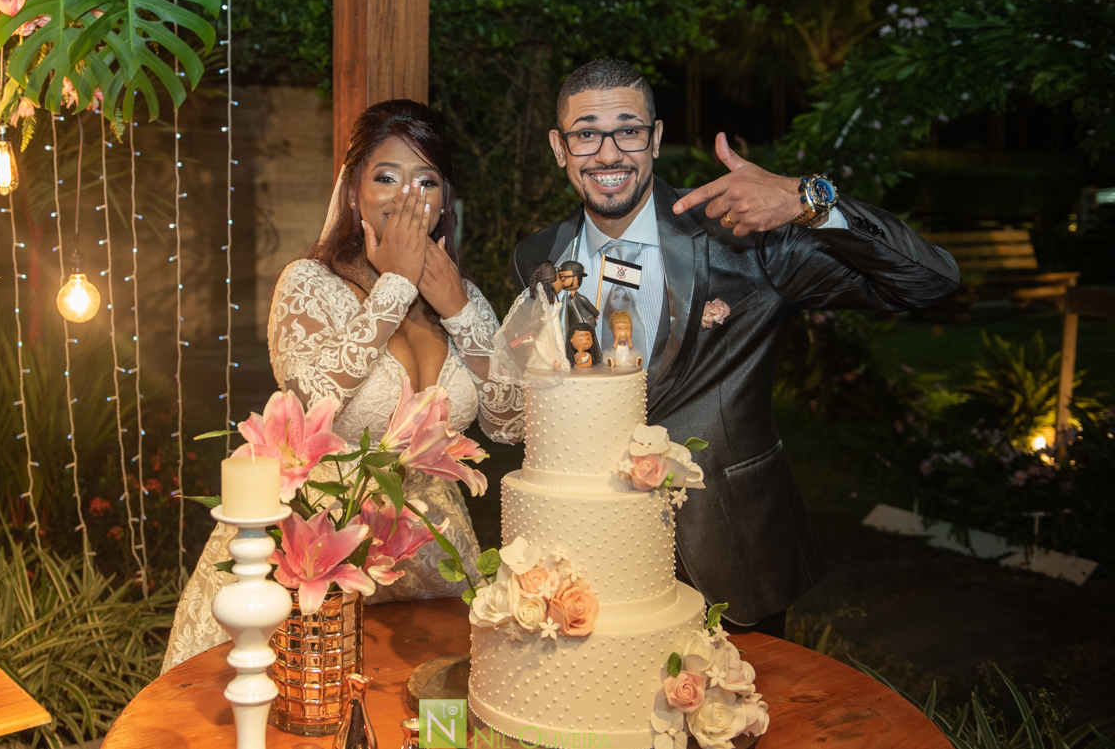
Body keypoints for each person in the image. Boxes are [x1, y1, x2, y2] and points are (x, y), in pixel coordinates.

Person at [510, 58, 959, 638]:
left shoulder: (742, 239)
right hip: (589, 565)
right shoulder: (537, 257)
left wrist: (807, 201)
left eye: (628, 129)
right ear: (559, 146)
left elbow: (930, 281)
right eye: (586, 133)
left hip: (730, 550)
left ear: (656, 138)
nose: (609, 153)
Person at [163, 100, 523, 673]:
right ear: (354, 192)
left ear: (443, 200)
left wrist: (458, 308)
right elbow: (308, 398)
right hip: (323, 544)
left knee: (430, 706)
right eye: (387, 177)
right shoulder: (308, 283)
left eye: (426, 180)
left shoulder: (463, 297)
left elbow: (511, 421)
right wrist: (395, 288)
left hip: (431, 550)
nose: (408, 196)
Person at [557, 259, 599, 335]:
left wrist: (595, 314)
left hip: (585, 323)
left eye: (563, 277)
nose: (560, 281)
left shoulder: (580, 298)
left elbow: (591, 308)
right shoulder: (568, 298)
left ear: (575, 278)